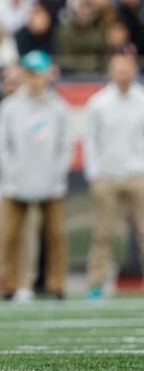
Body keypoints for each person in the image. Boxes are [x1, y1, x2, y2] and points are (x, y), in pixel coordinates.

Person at [0, 50, 73, 302]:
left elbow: (66, 145)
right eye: (30, 74)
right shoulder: (9, 106)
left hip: (51, 183)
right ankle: (11, 283)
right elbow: (1, 145)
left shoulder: (59, 106)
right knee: (10, 236)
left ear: (47, 75)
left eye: (38, 74)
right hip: (17, 183)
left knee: (56, 236)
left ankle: (56, 283)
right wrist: (11, 173)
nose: (35, 79)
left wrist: (57, 173)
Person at [0, 65, 40, 303]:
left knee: (27, 234)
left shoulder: (34, 108)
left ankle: (25, 283)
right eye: (8, 81)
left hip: (28, 181)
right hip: (0, 181)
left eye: (16, 80)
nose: (11, 85)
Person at [83, 50, 144, 300]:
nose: (122, 72)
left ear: (134, 69)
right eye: (117, 67)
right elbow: (90, 141)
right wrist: (94, 173)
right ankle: (97, 284)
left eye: (126, 67)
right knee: (103, 233)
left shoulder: (142, 99)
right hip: (107, 175)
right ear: (110, 70)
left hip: (139, 174)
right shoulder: (98, 103)